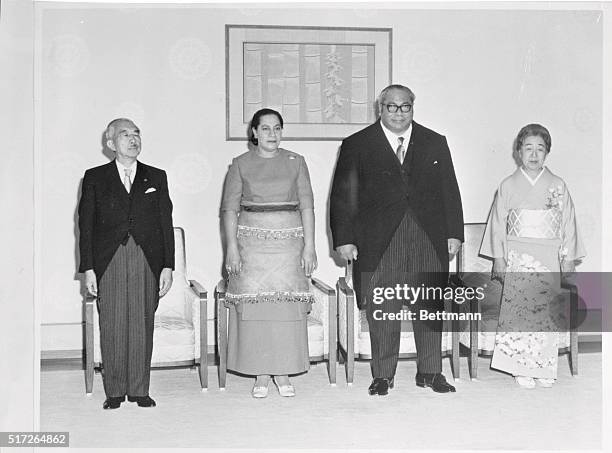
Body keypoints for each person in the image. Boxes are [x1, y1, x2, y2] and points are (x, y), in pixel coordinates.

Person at [329, 84, 464, 395]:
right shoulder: (357, 144)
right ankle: (383, 375)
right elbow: (342, 197)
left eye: (406, 107)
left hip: (428, 236)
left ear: (413, 108)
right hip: (379, 239)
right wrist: (344, 239)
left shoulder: (434, 142)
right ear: (381, 108)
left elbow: (449, 191)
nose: (399, 112)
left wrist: (454, 233)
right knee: (383, 306)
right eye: (392, 107)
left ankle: (430, 372)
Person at [78, 118, 174, 409]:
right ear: (110, 144)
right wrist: (89, 268)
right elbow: (85, 227)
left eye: (136, 134)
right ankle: (115, 391)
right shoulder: (94, 177)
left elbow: (165, 223)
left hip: (147, 257)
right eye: (124, 135)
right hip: (110, 259)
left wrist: (168, 265)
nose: (132, 139)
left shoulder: (156, 176)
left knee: (143, 321)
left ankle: (140, 389)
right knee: (113, 322)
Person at [480, 123, 585, 388]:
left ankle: (542, 367)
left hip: (548, 252)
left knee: (545, 311)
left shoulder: (558, 185)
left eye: (540, 149)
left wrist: (568, 256)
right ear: (518, 152)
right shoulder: (507, 185)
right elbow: (497, 225)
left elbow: (568, 223)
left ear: (547, 153)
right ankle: (519, 367)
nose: (534, 154)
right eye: (528, 148)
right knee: (519, 310)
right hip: (517, 252)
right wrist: (500, 258)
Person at [221, 108, 317, 398]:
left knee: (285, 310)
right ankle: (261, 373)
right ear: (254, 132)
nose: (272, 134)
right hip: (251, 247)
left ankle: (284, 373)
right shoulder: (239, 164)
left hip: (289, 247)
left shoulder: (296, 162)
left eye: (277, 129)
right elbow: (229, 210)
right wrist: (231, 249)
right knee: (257, 310)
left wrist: (310, 246)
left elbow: (307, 206)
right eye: (265, 129)